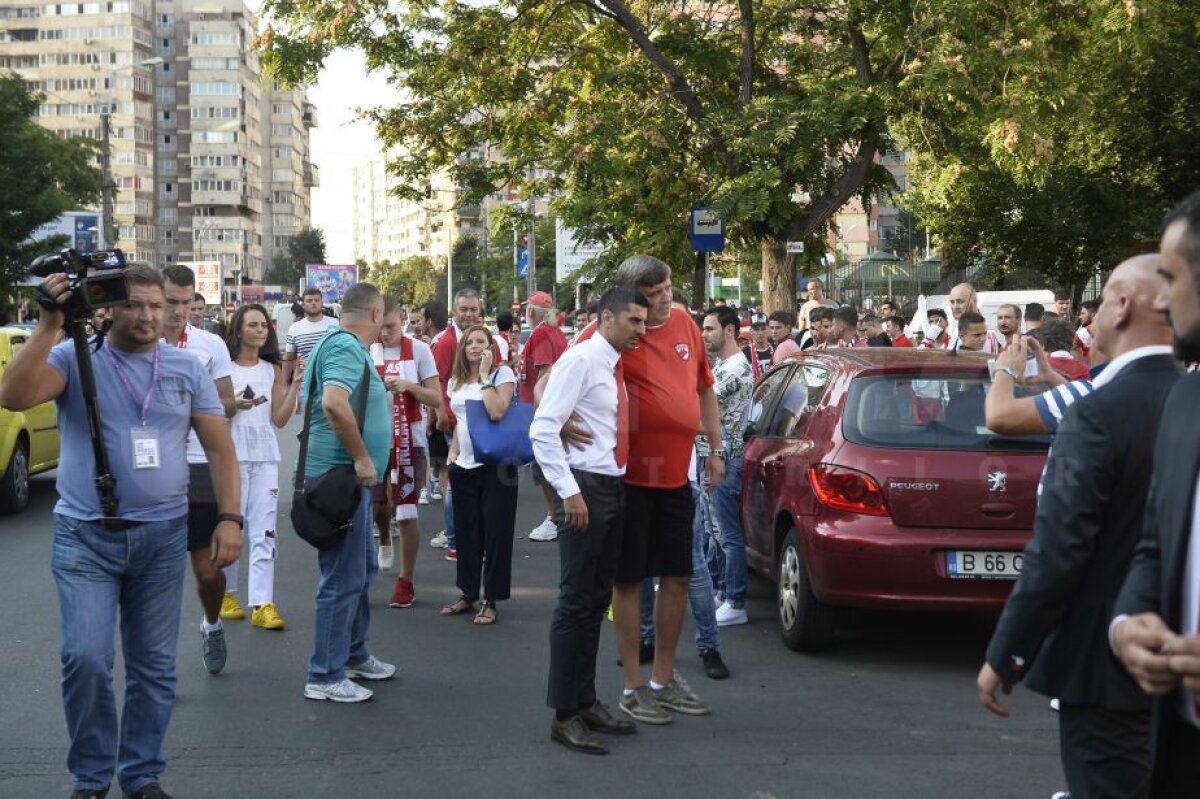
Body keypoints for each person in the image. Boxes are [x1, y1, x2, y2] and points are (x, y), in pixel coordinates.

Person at [0, 265, 240, 799]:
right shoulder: (74, 359)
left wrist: (230, 517)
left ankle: (140, 776)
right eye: (139, 305)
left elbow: (221, 450)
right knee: (85, 659)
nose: (153, 316)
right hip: (86, 536)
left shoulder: (185, 367)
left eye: (161, 306)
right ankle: (90, 778)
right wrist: (48, 326)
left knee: (153, 666)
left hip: (161, 536)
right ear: (108, 306)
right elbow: (12, 397)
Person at [976, 255, 1180, 799]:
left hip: (1105, 667)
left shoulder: (1095, 409)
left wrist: (1007, 652)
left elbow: (1060, 547)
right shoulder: (1184, 397)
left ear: (1122, 306)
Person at [573, 254, 724, 724]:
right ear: (632, 296)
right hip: (630, 479)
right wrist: (560, 424)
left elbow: (704, 389)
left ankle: (664, 678)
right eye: (653, 294)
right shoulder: (613, 331)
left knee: (678, 576)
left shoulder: (685, 323)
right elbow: (554, 383)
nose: (664, 300)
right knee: (629, 581)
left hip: (677, 475)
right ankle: (633, 686)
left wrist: (717, 447)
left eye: (667, 289)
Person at [1111, 191, 1200, 797]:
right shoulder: (1185, 401)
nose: (1162, 302)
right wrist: (1125, 625)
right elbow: (1156, 545)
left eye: (1170, 277)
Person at [533, 286, 647, 755]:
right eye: (633, 321)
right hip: (585, 489)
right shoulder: (581, 360)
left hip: (611, 485)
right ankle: (563, 715)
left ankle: (585, 701)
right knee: (576, 601)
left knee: (598, 599)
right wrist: (570, 493)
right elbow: (542, 428)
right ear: (605, 318)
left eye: (643, 321)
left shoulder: (611, 362)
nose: (641, 329)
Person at [301, 283, 396, 703]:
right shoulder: (345, 346)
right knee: (341, 579)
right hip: (338, 480)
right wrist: (361, 458)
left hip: (347, 481)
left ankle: (353, 655)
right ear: (375, 314)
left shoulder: (344, 346)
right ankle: (324, 674)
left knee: (360, 572)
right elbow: (334, 405)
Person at [160, 265, 239, 675]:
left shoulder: (209, 344)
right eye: (170, 301)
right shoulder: (136, 342)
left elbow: (225, 402)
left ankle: (212, 623)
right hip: (153, 468)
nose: (177, 312)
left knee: (208, 574)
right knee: (157, 576)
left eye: (185, 303)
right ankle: (158, 665)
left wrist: (197, 408)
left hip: (200, 465)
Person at [224, 303, 302, 631]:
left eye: (264, 326)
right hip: (232, 457)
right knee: (231, 528)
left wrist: (295, 383)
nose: (260, 330)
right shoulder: (223, 367)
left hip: (265, 457)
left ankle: (262, 602)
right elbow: (214, 413)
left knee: (265, 529)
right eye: (253, 325)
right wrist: (232, 404)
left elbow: (280, 420)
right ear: (238, 330)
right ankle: (226, 594)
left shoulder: (271, 370)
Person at [441, 325, 518, 625]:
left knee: (496, 534)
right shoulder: (456, 380)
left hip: (497, 466)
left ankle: (492, 599)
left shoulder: (502, 375)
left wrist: (485, 377)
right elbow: (461, 420)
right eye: (469, 342)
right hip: (464, 464)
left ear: (490, 347)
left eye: (481, 342)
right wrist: (453, 454)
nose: (474, 346)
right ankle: (468, 593)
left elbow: (497, 411)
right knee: (466, 532)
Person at [369, 298, 442, 608]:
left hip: (409, 441)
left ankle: (406, 580)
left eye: (392, 326)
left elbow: (436, 396)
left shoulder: (419, 350)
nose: (386, 333)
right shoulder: (366, 349)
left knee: (407, 511)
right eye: (381, 327)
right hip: (374, 441)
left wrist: (408, 387)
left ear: (402, 320)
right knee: (378, 506)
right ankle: (384, 535)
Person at [700, 306, 753, 627]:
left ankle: (735, 600)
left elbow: (699, 405)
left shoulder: (735, 369)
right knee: (713, 532)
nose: (704, 335)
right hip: (714, 456)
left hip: (726, 459)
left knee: (727, 536)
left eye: (709, 329)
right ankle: (722, 591)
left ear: (729, 330)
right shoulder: (723, 365)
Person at [430, 289, 488, 561]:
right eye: (463, 309)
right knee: (455, 480)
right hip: (459, 422)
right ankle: (455, 537)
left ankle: (474, 538)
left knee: (481, 483)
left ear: (480, 311)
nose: (468, 314)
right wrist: (445, 415)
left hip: (487, 423)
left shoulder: (486, 339)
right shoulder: (446, 342)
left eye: (473, 309)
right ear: (454, 311)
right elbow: (440, 381)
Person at [520, 291, 570, 545]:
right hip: (553, 411)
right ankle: (558, 516)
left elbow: (543, 373)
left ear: (531, 311)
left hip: (543, 413)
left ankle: (554, 518)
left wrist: (541, 418)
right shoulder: (556, 332)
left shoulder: (540, 333)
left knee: (546, 467)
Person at [282, 287, 339, 387]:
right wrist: (284, 386)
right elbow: (288, 359)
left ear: (322, 302)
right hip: (305, 385)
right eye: (309, 301)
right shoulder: (294, 329)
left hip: (333, 383)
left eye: (316, 300)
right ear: (303, 305)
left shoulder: (336, 324)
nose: (313, 303)